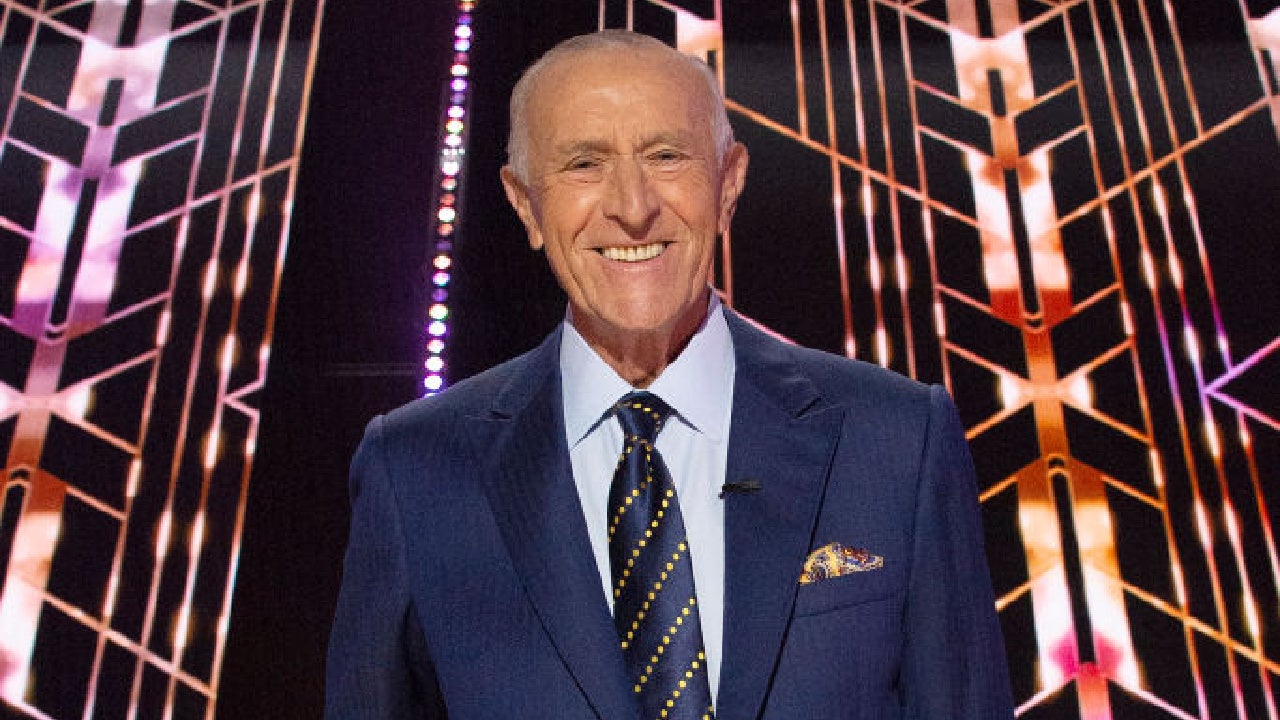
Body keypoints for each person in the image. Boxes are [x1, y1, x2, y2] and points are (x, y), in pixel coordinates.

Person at [325, 29, 1014, 719]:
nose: (632, 207)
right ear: (526, 205)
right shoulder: (415, 470)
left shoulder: (896, 439)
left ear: (729, 184)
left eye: (666, 156)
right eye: (584, 164)